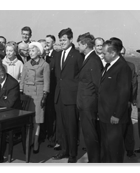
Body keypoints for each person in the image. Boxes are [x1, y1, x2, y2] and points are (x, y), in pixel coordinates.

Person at [52, 28, 84, 163]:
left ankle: (72, 154)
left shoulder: (77, 55)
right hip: (59, 96)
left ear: (71, 40)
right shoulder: (58, 55)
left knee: (71, 127)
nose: (62, 42)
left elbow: (81, 77)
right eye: (60, 40)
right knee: (61, 126)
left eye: (64, 40)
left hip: (71, 98)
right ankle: (64, 151)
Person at [98, 39, 132, 163]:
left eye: (104, 53)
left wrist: (117, 115)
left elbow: (124, 94)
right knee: (106, 149)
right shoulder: (108, 66)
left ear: (112, 53)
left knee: (114, 151)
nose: (102, 55)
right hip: (105, 115)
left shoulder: (123, 68)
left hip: (114, 117)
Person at [76, 32, 103, 163]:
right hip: (85, 103)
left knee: (90, 135)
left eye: (79, 44)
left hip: (89, 104)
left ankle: (94, 161)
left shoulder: (93, 60)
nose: (78, 46)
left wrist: (97, 106)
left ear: (85, 45)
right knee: (88, 134)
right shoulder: (88, 58)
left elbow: (98, 85)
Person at [20, 42, 50, 154]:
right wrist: (21, 92)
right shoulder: (26, 64)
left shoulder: (45, 65)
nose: (30, 52)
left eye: (33, 50)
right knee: (27, 120)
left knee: (37, 120)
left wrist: (45, 96)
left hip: (38, 94)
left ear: (39, 52)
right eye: (29, 50)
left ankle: (36, 142)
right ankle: (28, 142)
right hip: (27, 95)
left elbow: (47, 82)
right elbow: (22, 80)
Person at [120, 46, 138, 158]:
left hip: (125, 102)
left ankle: (129, 150)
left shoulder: (130, 66)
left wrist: (130, 99)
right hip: (117, 102)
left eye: (123, 53)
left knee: (127, 126)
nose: (121, 56)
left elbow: (134, 84)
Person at [44, 34, 59, 149]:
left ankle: (52, 138)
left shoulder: (56, 56)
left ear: (53, 43)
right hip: (42, 90)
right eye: (45, 42)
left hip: (52, 90)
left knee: (51, 115)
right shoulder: (42, 55)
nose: (47, 44)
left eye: (49, 42)